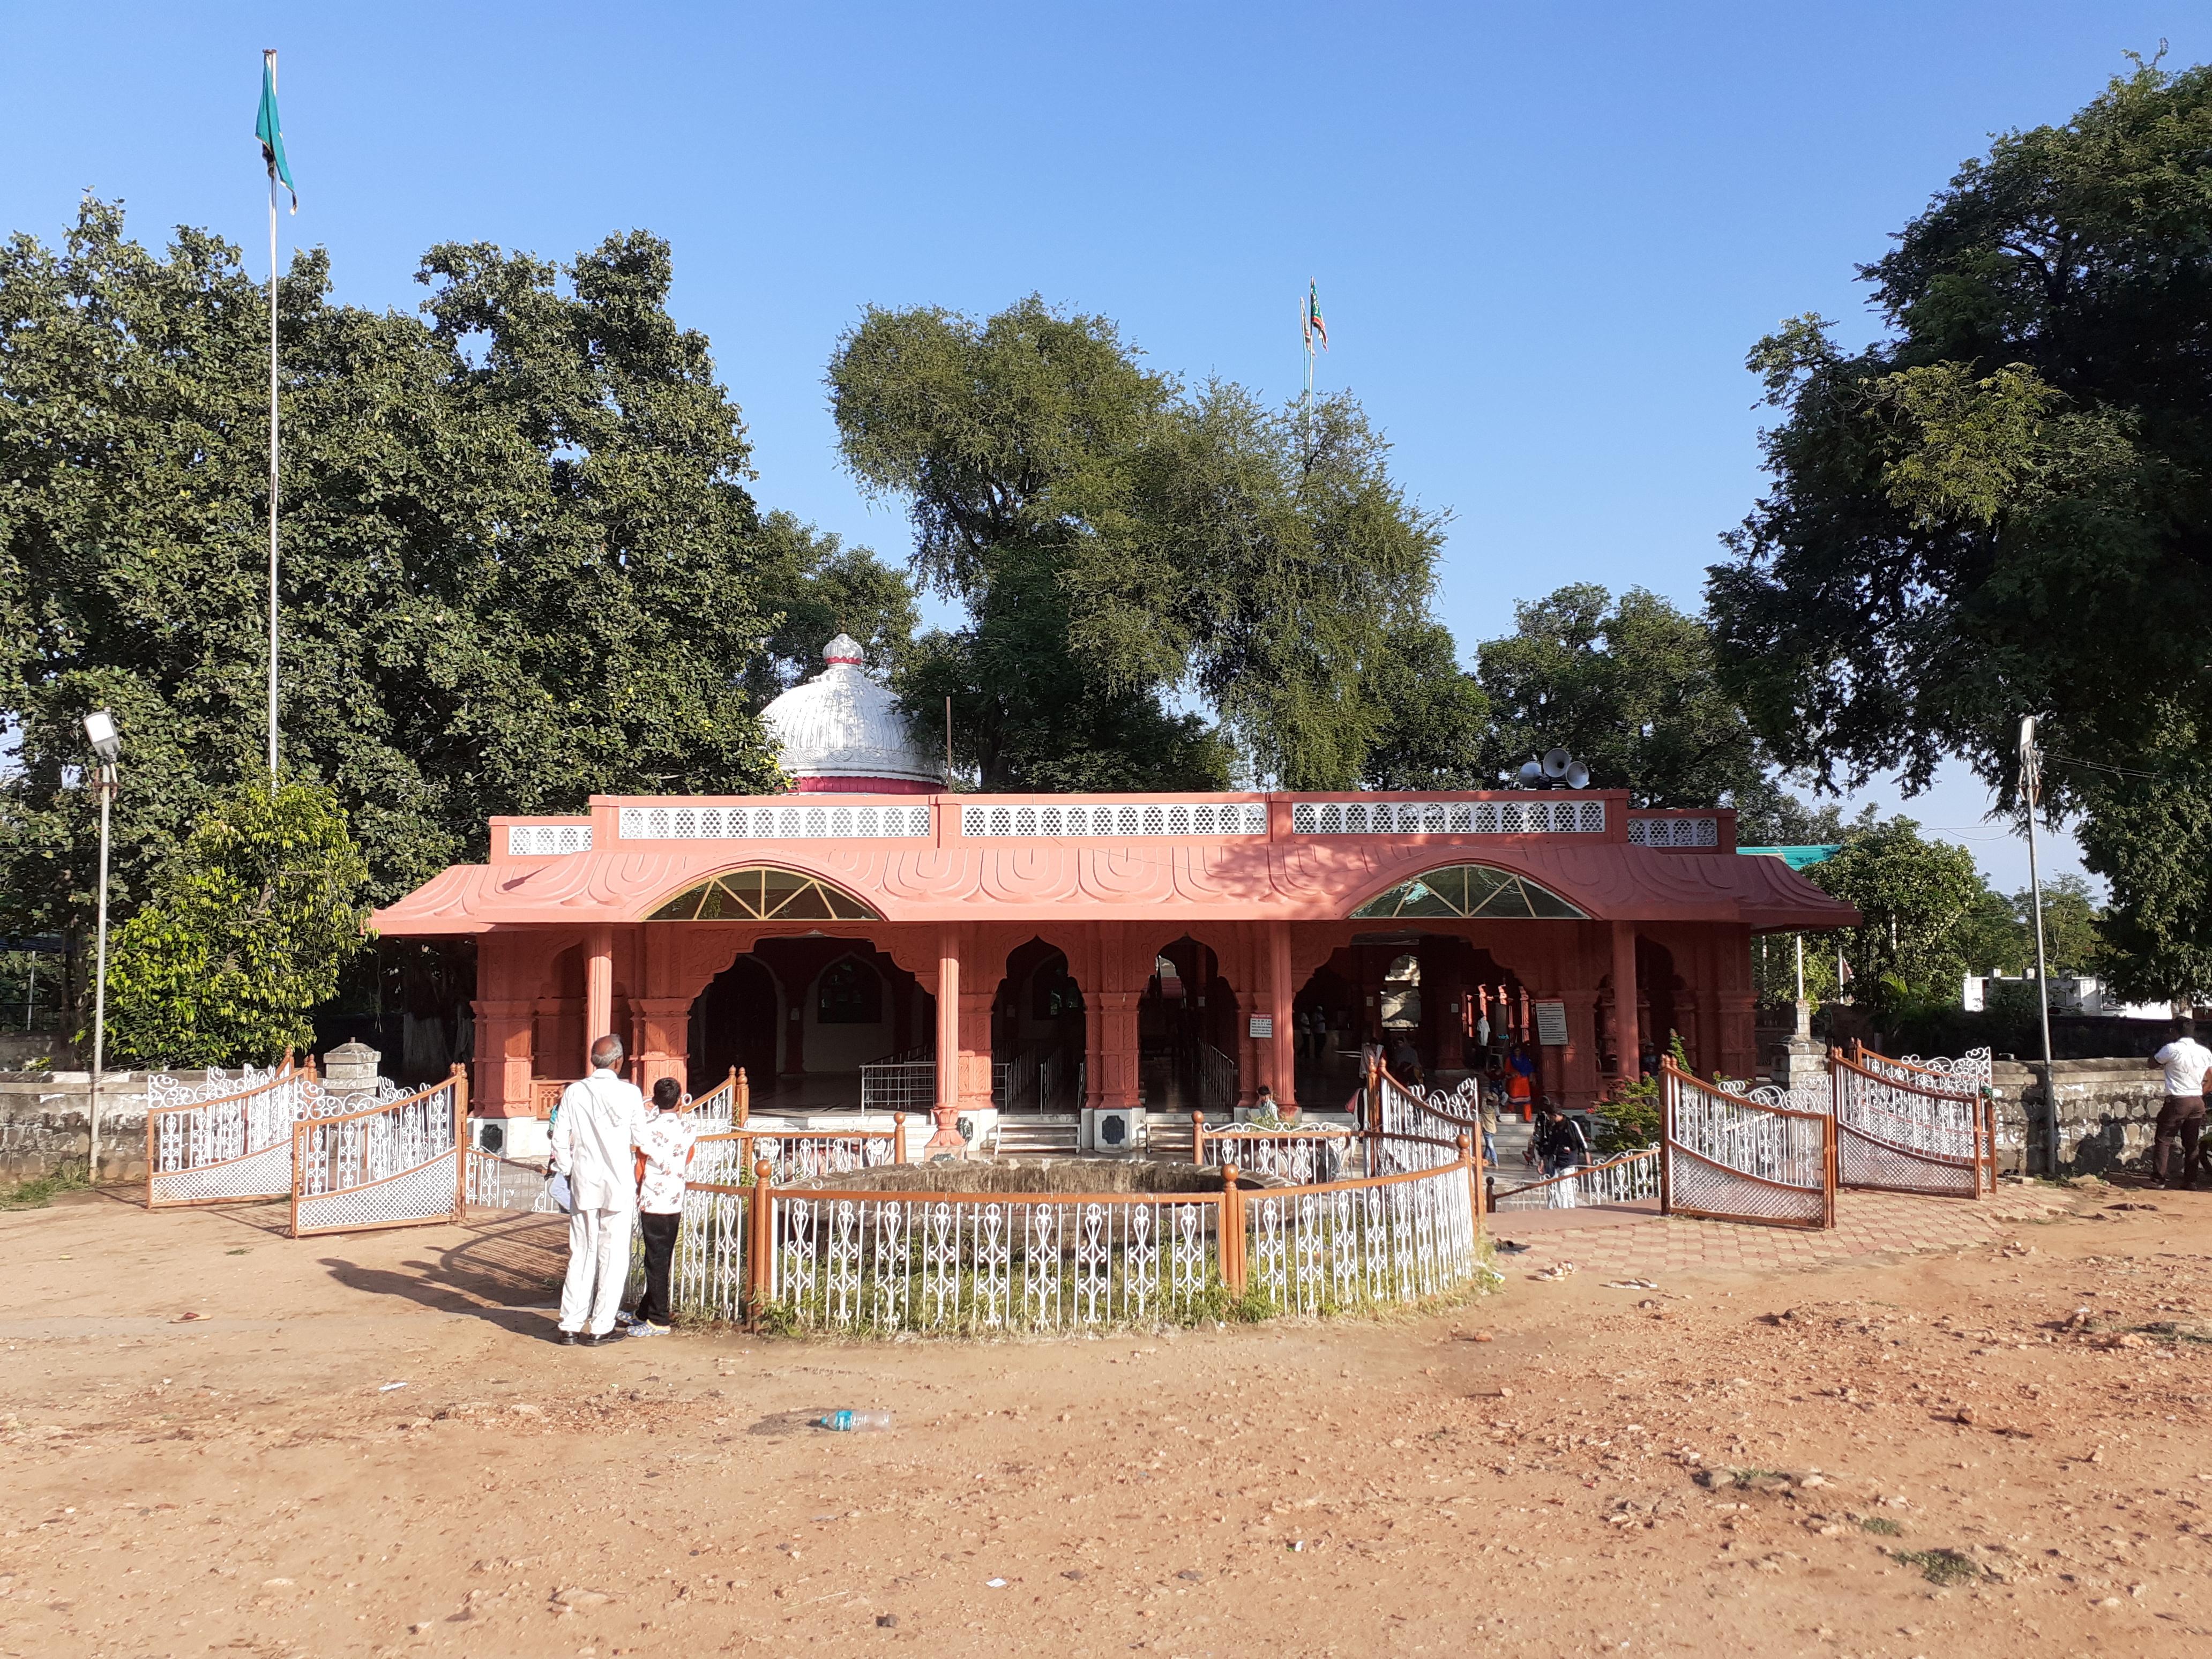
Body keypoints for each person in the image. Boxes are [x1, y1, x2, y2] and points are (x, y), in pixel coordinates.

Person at [549, 1035, 649, 1346]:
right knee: (613, 1254)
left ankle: (569, 1323)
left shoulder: (575, 1092)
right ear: (618, 1061)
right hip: (618, 1183)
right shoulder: (631, 1094)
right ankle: (601, 1326)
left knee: (581, 1252)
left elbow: (558, 1137)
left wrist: (567, 1170)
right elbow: (641, 1138)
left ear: (594, 1061)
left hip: (584, 1181)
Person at [621, 1076, 699, 1336]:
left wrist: (640, 1186)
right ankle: (645, 1312)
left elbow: (640, 1167)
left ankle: (658, 1319)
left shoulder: (647, 1130)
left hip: (653, 1199)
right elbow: (688, 1157)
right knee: (661, 1256)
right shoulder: (688, 1130)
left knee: (654, 1258)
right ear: (679, 1101)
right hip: (675, 1199)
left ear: (654, 1100)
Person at [2151, 1017, 2209, 1190]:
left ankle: (2159, 1179)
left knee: (2164, 1139)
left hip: (2178, 1100)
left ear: (2174, 1032)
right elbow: (2210, 1075)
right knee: (2191, 1142)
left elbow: (2151, 1063)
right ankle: (2191, 1181)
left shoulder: (2171, 1049)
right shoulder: (2205, 1052)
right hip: (2197, 1100)